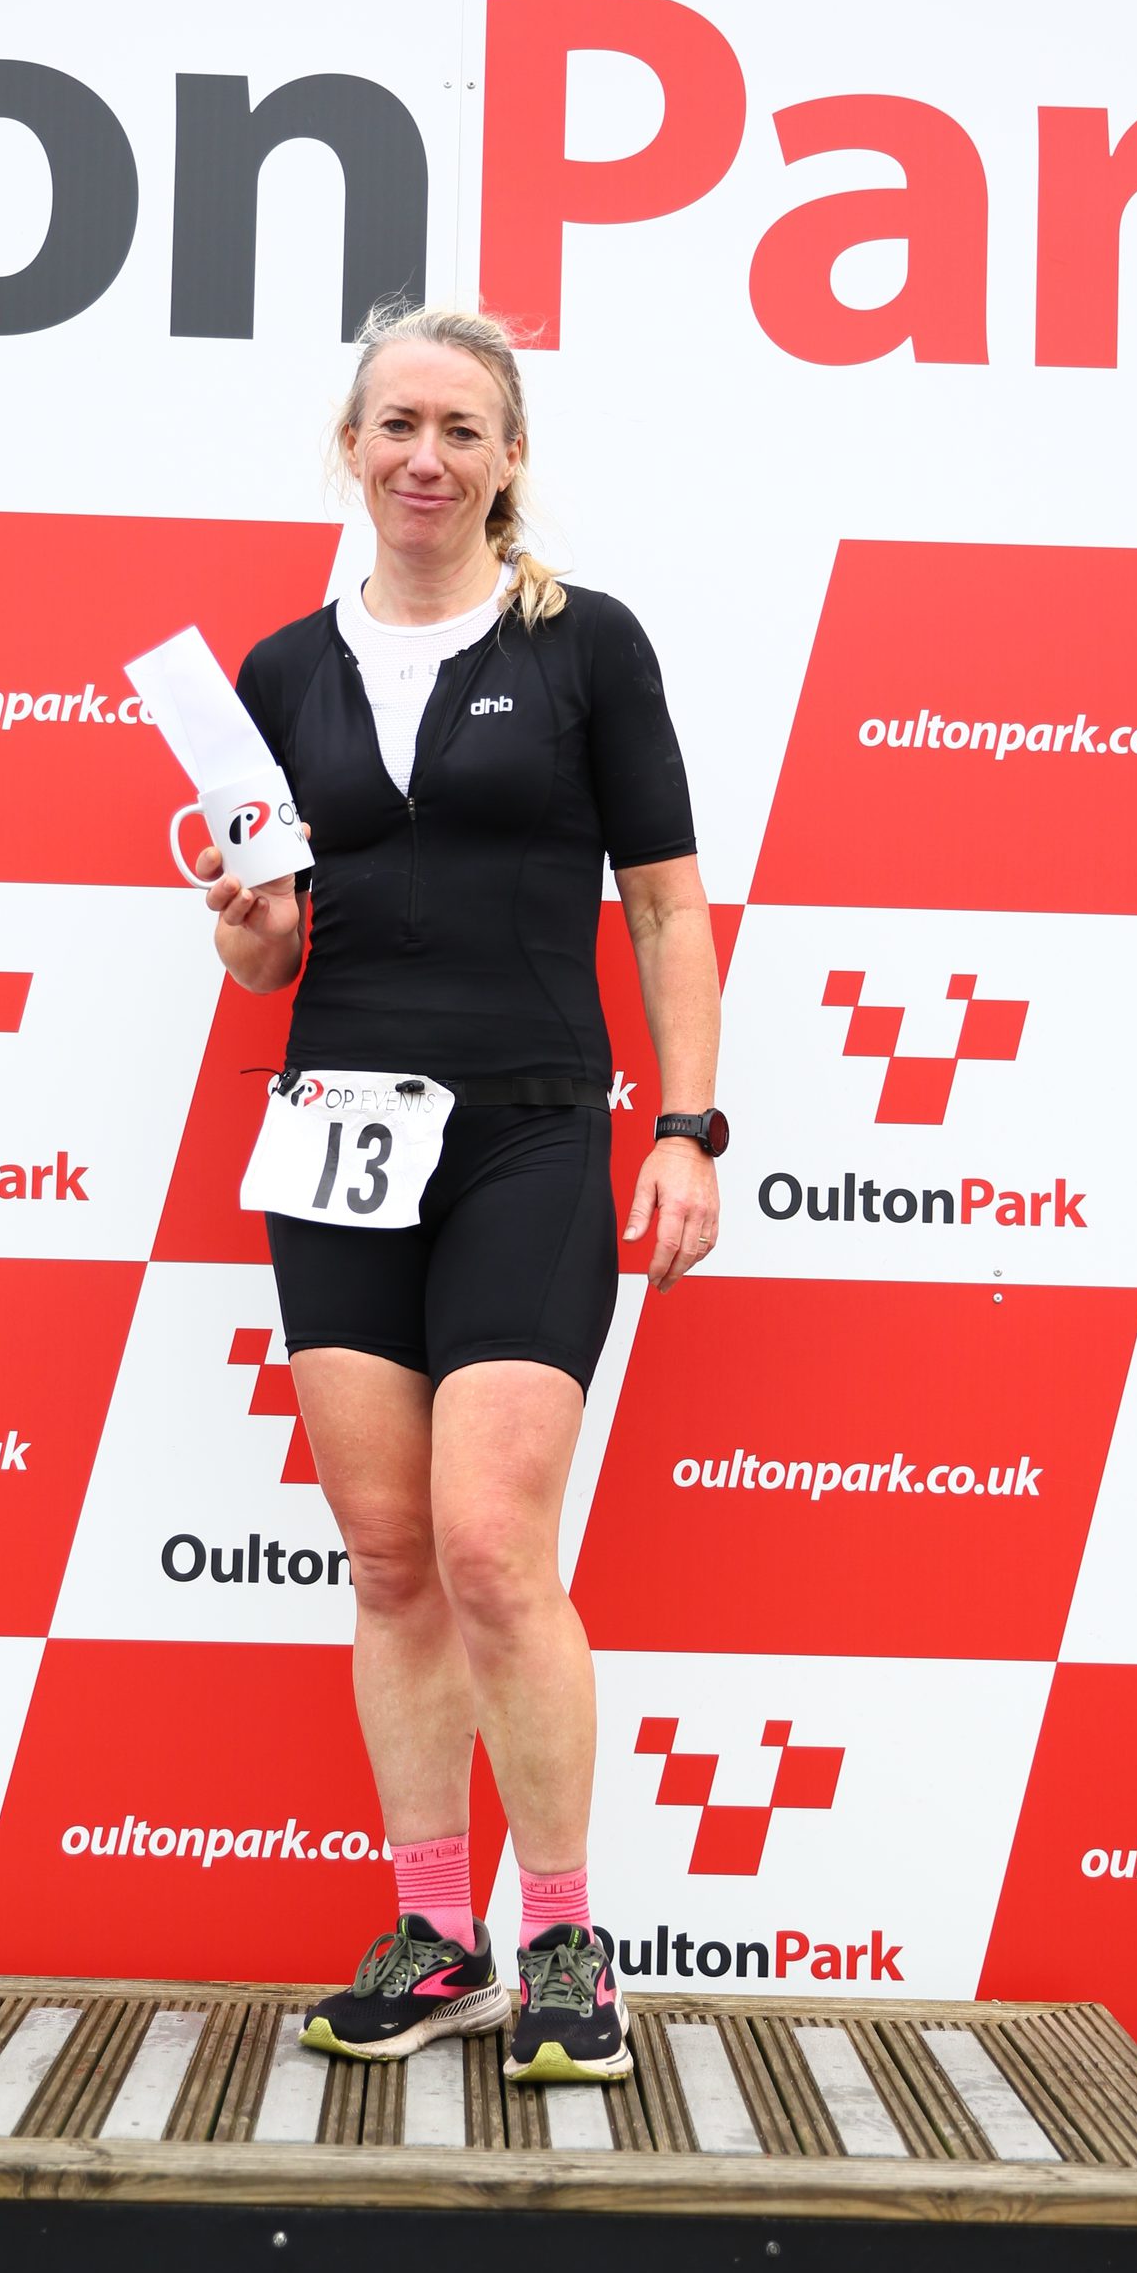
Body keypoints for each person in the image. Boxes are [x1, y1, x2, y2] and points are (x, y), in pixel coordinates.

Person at [197, 302, 727, 2082]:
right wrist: (254, 937)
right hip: (338, 1130)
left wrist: (688, 1126)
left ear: (509, 461)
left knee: (499, 1550)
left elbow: (665, 904)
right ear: (349, 448)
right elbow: (267, 958)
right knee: (395, 1554)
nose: (428, 454)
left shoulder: (589, 647)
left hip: (526, 1134)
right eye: (397, 421)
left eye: (464, 428)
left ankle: (568, 1941)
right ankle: (440, 1936)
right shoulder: (275, 673)